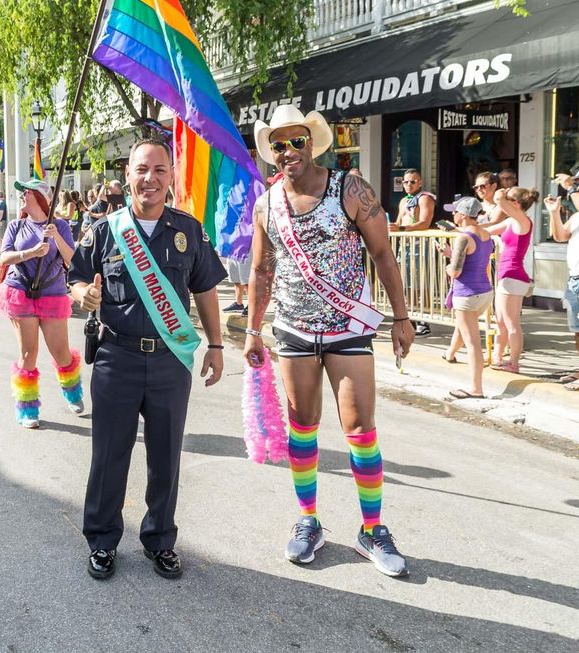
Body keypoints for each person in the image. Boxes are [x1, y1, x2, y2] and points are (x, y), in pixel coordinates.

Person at [244, 105, 414, 577]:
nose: (288, 152)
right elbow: (261, 270)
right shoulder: (266, 203)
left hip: (349, 328)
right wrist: (253, 331)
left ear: (313, 143)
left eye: (297, 141)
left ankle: (373, 529)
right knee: (303, 426)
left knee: (360, 428)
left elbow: (382, 253)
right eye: (278, 145)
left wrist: (401, 318)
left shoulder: (350, 188)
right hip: (294, 328)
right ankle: (308, 521)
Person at [69, 139, 227, 581]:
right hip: (116, 357)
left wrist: (215, 345)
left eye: (160, 170)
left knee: (166, 455)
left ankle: (160, 540)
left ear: (170, 177)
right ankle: (102, 541)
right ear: (128, 177)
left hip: (169, 360)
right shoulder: (104, 230)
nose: (150, 179)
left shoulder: (189, 230)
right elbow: (76, 278)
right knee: (109, 456)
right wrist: (86, 296)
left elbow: (206, 288)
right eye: (142, 169)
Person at [0, 178, 83, 428]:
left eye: (27, 193)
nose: (22, 197)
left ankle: (73, 393)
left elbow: (72, 261)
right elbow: (4, 257)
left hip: (52, 293)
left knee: (61, 352)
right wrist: (31, 253)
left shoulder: (61, 225)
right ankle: (27, 408)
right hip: (20, 291)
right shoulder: (15, 225)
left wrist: (56, 237)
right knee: (28, 352)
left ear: (41, 198)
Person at [440, 197, 494, 399]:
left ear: (462, 215)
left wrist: (448, 263)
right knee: (464, 329)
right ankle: (450, 354)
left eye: (455, 212)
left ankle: (476, 388)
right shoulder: (485, 234)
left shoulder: (463, 238)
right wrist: (451, 253)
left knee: (473, 343)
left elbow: (455, 271)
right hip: (485, 292)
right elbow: (478, 259)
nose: (452, 215)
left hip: (467, 294)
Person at [485, 187, 537, 373]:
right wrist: (464, 228)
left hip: (513, 276)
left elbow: (498, 199)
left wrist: (502, 191)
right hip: (506, 276)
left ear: (515, 204)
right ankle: (499, 358)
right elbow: (487, 231)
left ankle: (514, 364)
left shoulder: (523, 221)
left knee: (512, 323)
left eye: (509, 199)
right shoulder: (510, 222)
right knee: (501, 321)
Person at [389, 168, 436, 337]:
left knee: (420, 281)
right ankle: (412, 318)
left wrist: (401, 228)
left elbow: (424, 222)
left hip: (418, 244)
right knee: (406, 283)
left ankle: (425, 321)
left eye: (413, 181)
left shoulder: (425, 198)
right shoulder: (403, 201)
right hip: (405, 245)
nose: (409, 184)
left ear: (420, 182)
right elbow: (399, 221)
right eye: (406, 182)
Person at [545, 194, 579, 390]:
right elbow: (560, 236)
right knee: (578, 331)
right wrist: (554, 212)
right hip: (574, 279)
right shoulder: (577, 217)